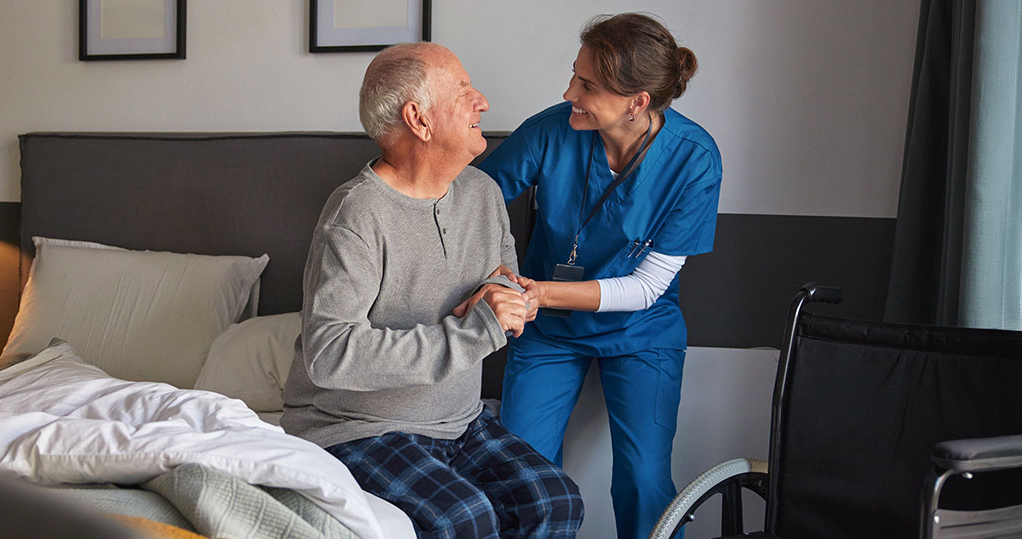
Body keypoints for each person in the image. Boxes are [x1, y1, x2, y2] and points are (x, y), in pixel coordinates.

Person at [280, 42, 585, 539]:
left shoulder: (483, 194)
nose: (482, 100)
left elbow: (502, 274)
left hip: (459, 422)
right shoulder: (356, 216)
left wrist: (501, 297)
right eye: (463, 90)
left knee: (556, 501)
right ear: (419, 120)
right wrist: (475, 329)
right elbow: (330, 354)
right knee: (463, 519)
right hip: (355, 429)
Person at [477, 13, 723, 539]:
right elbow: (473, 203)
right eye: (574, 75)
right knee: (523, 471)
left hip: (641, 331)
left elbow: (647, 287)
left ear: (637, 102)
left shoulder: (694, 160)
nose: (570, 92)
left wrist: (538, 290)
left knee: (643, 479)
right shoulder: (550, 130)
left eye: (587, 85)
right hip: (548, 330)